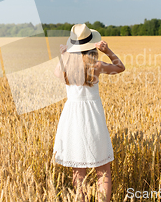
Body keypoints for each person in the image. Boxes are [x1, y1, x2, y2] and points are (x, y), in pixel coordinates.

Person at [53, 23, 125, 202]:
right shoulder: (97, 65)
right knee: (103, 168)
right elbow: (120, 67)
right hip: (93, 117)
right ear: (91, 45)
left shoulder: (66, 67)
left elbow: (56, 72)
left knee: (78, 169)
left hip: (72, 117)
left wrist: (64, 55)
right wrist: (108, 50)